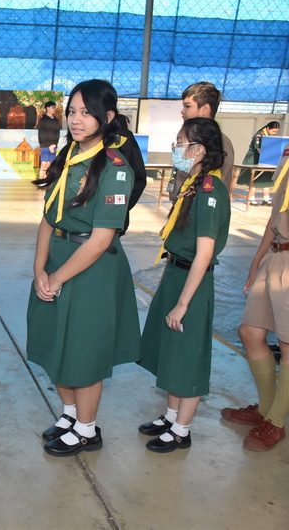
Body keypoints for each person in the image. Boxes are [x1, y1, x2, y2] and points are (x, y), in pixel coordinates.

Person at [27, 79, 141, 457]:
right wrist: (39, 269)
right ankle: (71, 415)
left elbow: (101, 239)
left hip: (90, 270)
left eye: (86, 113)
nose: (76, 120)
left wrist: (56, 277)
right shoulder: (69, 157)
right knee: (55, 342)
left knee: (84, 351)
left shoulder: (115, 168)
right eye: (72, 112)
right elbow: (48, 218)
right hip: (57, 259)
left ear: (106, 116)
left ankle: (88, 431)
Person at [138, 117, 230, 453]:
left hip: (193, 279)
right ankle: (172, 415)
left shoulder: (209, 190)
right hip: (177, 273)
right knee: (172, 350)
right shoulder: (194, 182)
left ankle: (181, 430)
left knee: (187, 354)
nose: (176, 149)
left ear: (199, 149)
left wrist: (183, 303)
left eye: (181, 143)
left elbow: (204, 254)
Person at [221, 143, 289, 451]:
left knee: (287, 345)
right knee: (249, 332)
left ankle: (276, 421)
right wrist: (257, 262)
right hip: (276, 255)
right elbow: (276, 216)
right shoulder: (287, 155)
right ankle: (265, 408)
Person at [172, 82, 235, 194]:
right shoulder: (193, 137)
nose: (182, 111)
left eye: (187, 106)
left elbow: (214, 187)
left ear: (205, 109)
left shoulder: (218, 142)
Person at [237, 121, 280, 206]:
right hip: (254, 160)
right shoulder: (258, 136)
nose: (274, 133)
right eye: (273, 131)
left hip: (265, 161)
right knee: (254, 180)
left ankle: (266, 199)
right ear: (268, 128)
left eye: (276, 132)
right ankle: (251, 199)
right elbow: (259, 150)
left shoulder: (270, 136)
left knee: (267, 179)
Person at [36, 101, 60, 180]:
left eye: (55, 107)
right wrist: (49, 145)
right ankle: (41, 181)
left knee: (50, 165)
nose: (54, 109)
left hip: (53, 146)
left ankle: (46, 181)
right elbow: (42, 134)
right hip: (45, 146)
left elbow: (57, 134)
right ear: (47, 108)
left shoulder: (56, 121)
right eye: (53, 107)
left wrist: (54, 145)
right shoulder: (43, 120)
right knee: (44, 164)